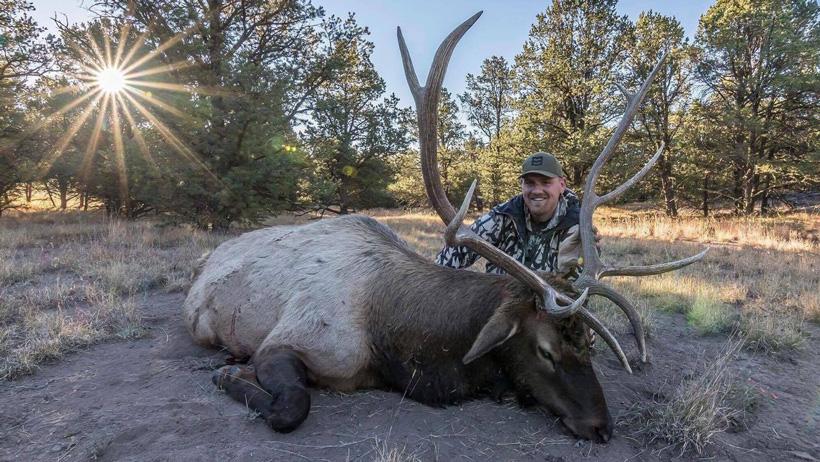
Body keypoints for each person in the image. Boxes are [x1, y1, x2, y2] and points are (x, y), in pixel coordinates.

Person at [436, 152, 588, 279]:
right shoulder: (503, 216)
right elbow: (447, 260)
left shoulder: (579, 228)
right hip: (500, 306)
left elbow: (579, 292)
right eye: (530, 183)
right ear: (521, 185)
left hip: (548, 311)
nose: (536, 190)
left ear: (562, 185)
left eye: (545, 182)